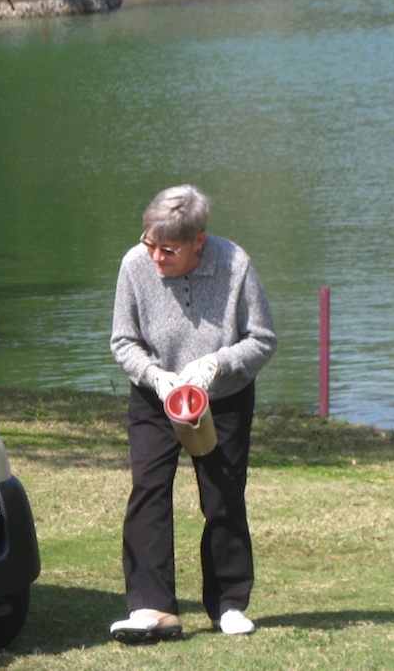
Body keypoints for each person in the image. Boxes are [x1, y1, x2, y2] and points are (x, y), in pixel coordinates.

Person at [108, 184, 277, 644]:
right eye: (150, 243)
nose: (156, 256)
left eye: (169, 249)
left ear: (198, 242)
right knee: (148, 490)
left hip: (221, 396)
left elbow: (262, 339)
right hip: (156, 394)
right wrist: (154, 375)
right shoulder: (134, 264)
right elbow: (123, 340)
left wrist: (217, 363)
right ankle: (152, 606)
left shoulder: (235, 265)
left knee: (223, 493)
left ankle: (228, 605)